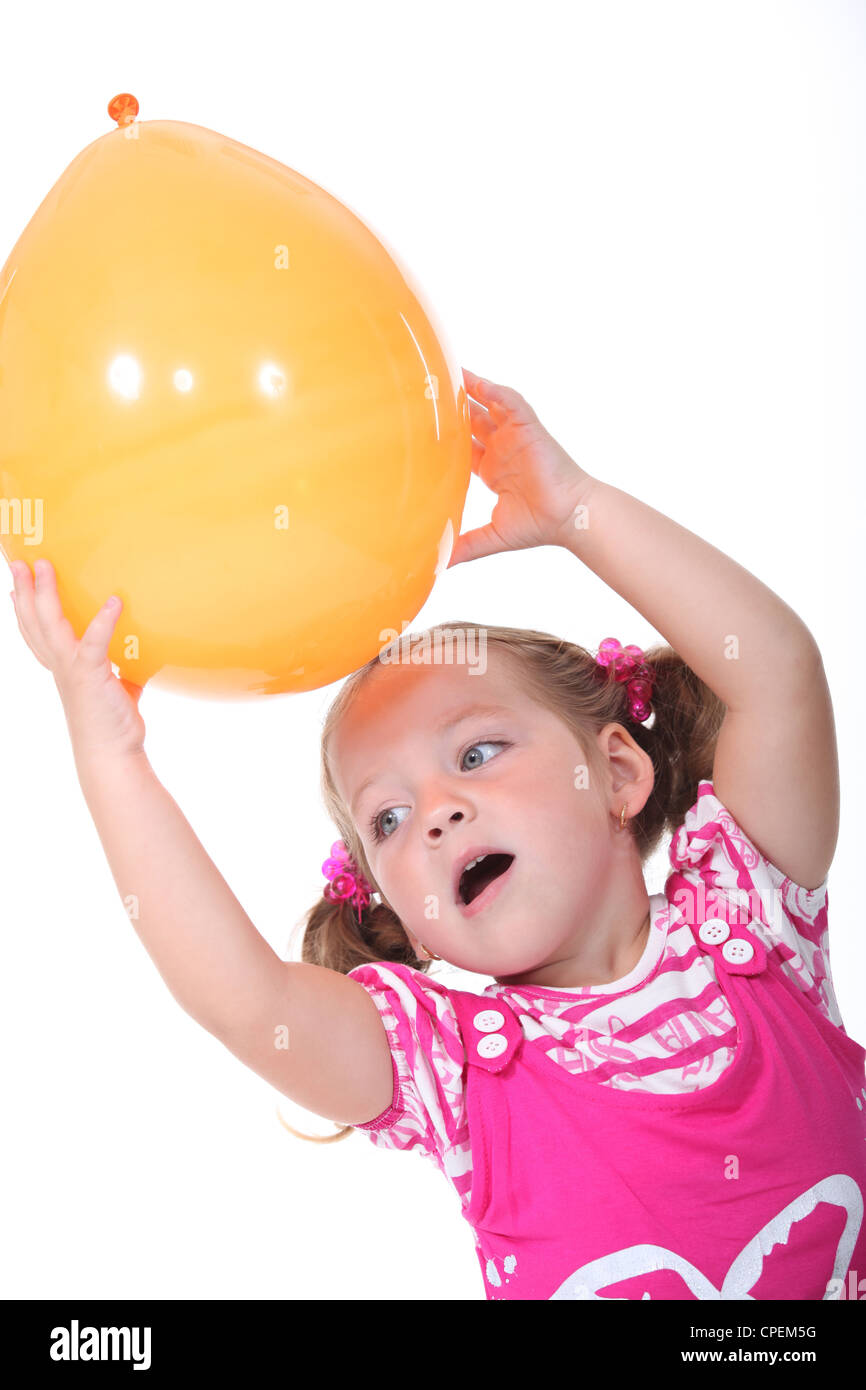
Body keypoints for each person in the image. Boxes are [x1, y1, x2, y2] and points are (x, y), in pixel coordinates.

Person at [8, 369, 865, 1301]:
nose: (438, 813)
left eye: (478, 752)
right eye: (389, 817)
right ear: (406, 919)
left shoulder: (756, 919)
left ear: (616, 774)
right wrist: (112, 750)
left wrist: (574, 509)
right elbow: (247, 1001)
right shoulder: (448, 1069)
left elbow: (776, 670)